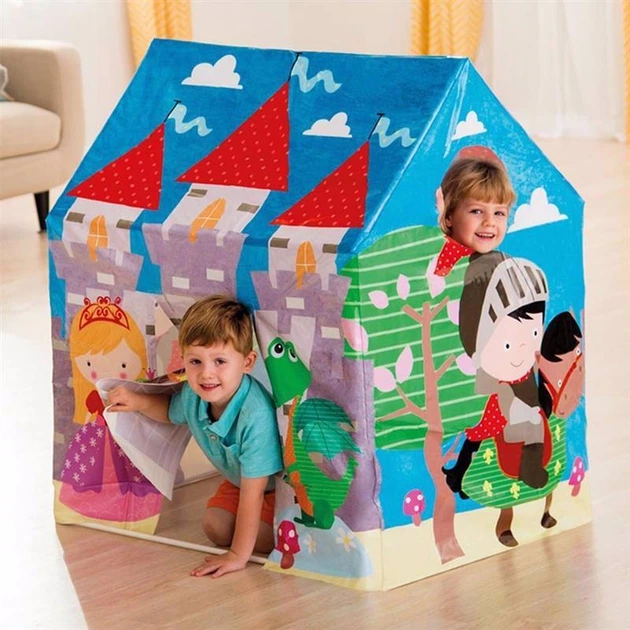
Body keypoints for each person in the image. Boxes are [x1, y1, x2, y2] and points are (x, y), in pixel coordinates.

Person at [108, 295, 283, 578]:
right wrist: (138, 401)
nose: (206, 374)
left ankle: (271, 527)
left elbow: (254, 492)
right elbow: (170, 412)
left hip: (274, 487)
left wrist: (238, 556)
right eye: (195, 361)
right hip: (239, 480)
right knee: (215, 528)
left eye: (220, 361)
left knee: (262, 540)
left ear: (247, 362)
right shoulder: (194, 394)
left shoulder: (256, 415)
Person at [433, 156, 516, 276]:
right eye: (477, 211)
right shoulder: (444, 257)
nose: (490, 222)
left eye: (499, 213)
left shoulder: (496, 264)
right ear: (448, 217)